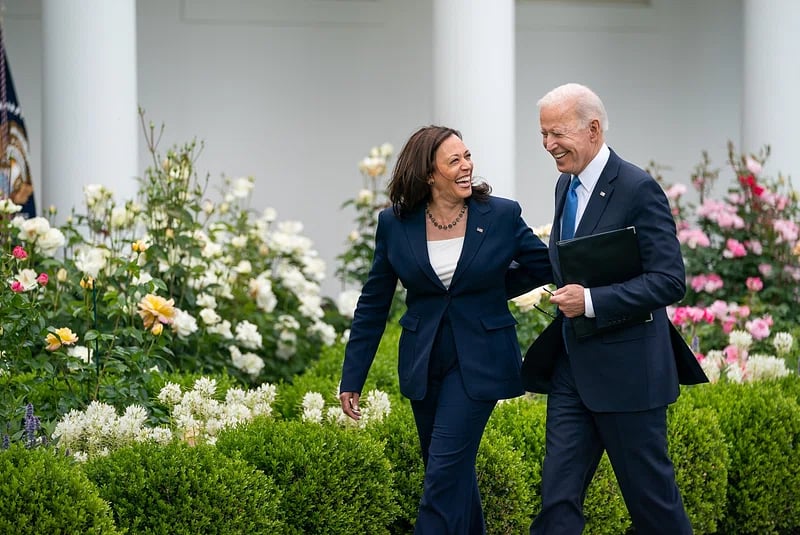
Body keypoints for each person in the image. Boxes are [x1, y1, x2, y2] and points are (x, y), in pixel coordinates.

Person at [339, 125, 552, 535]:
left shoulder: (501, 215)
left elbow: (543, 265)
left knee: (441, 477)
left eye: (467, 156)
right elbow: (373, 303)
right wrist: (353, 377)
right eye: (454, 161)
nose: (467, 165)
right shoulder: (395, 223)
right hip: (424, 362)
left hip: (481, 361)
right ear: (428, 174)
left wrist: (492, 290)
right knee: (451, 474)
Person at [529, 83, 693, 534]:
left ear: (593, 129)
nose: (548, 144)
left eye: (557, 133)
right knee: (556, 504)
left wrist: (591, 301)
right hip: (572, 372)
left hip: (630, 374)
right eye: (543, 134)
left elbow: (669, 280)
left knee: (654, 511)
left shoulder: (638, 188)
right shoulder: (565, 185)